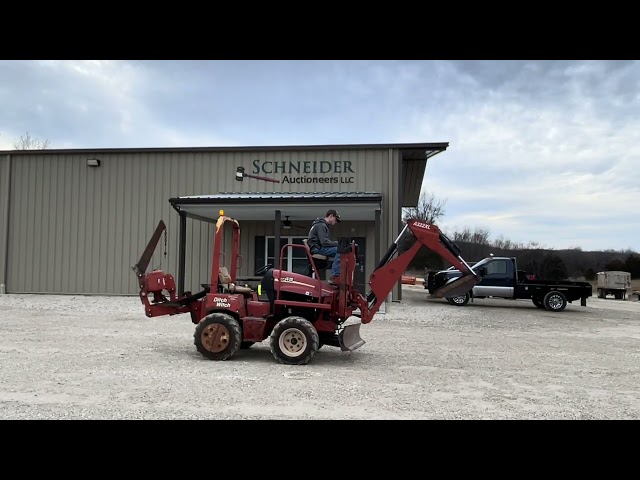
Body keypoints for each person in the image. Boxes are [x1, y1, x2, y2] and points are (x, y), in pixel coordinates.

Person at [307, 209, 342, 283]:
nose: (336, 222)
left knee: (337, 251)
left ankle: (337, 272)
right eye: (336, 220)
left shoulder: (319, 224)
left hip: (316, 247)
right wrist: (338, 243)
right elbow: (324, 242)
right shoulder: (321, 225)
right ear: (331, 216)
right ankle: (335, 276)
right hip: (317, 248)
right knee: (339, 250)